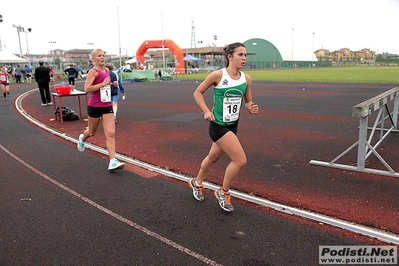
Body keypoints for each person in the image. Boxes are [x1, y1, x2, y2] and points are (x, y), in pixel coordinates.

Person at [188, 42, 259, 212]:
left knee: (213, 157)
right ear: (230, 56)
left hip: (233, 125)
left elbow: (247, 100)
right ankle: (223, 191)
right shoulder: (217, 75)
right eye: (240, 55)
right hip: (218, 126)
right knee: (240, 160)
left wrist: (250, 106)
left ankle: (196, 183)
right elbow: (197, 93)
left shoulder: (246, 79)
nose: (244, 58)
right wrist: (206, 111)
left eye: (245, 55)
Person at [77, 49, 125, 172]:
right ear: (94, 59)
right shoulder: (93, 72)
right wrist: (103, 84)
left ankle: (112, 161)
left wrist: (112, 85)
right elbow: (87, 88)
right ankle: (83, 138)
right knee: (91, 133)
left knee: (111, 134)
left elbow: (106, 85)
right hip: (94, 106)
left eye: (103, 55)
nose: (102, 57)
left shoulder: (107, 71)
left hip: (107, 105)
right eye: (99, 56)